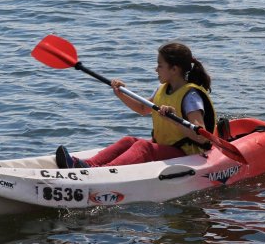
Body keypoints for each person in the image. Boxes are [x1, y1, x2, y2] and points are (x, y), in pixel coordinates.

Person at [56, 42, 217, 169]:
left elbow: (201, 136)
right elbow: (142, 109)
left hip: (188, 153)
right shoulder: (162, 89)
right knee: (129, 140)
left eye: (160, 65)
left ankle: (104, 171)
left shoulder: (191, 96)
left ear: (174, 69)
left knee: (143, 146)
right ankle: (86, 165)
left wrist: (173, 119)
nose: (156, 69)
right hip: (167, 148)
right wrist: (121, 94)